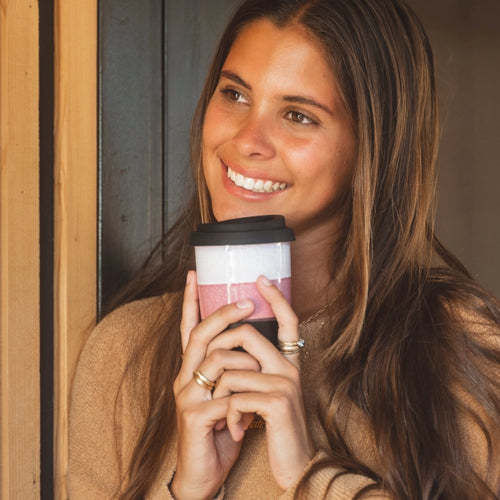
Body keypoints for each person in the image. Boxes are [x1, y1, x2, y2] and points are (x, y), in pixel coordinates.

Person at [68, 0, 500, 498]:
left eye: (298, 115)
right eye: (234, 94)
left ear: (373, 146)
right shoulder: (125, 354)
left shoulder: (460, 349)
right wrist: (188, 489)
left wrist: (306, 473)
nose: (248, 139)